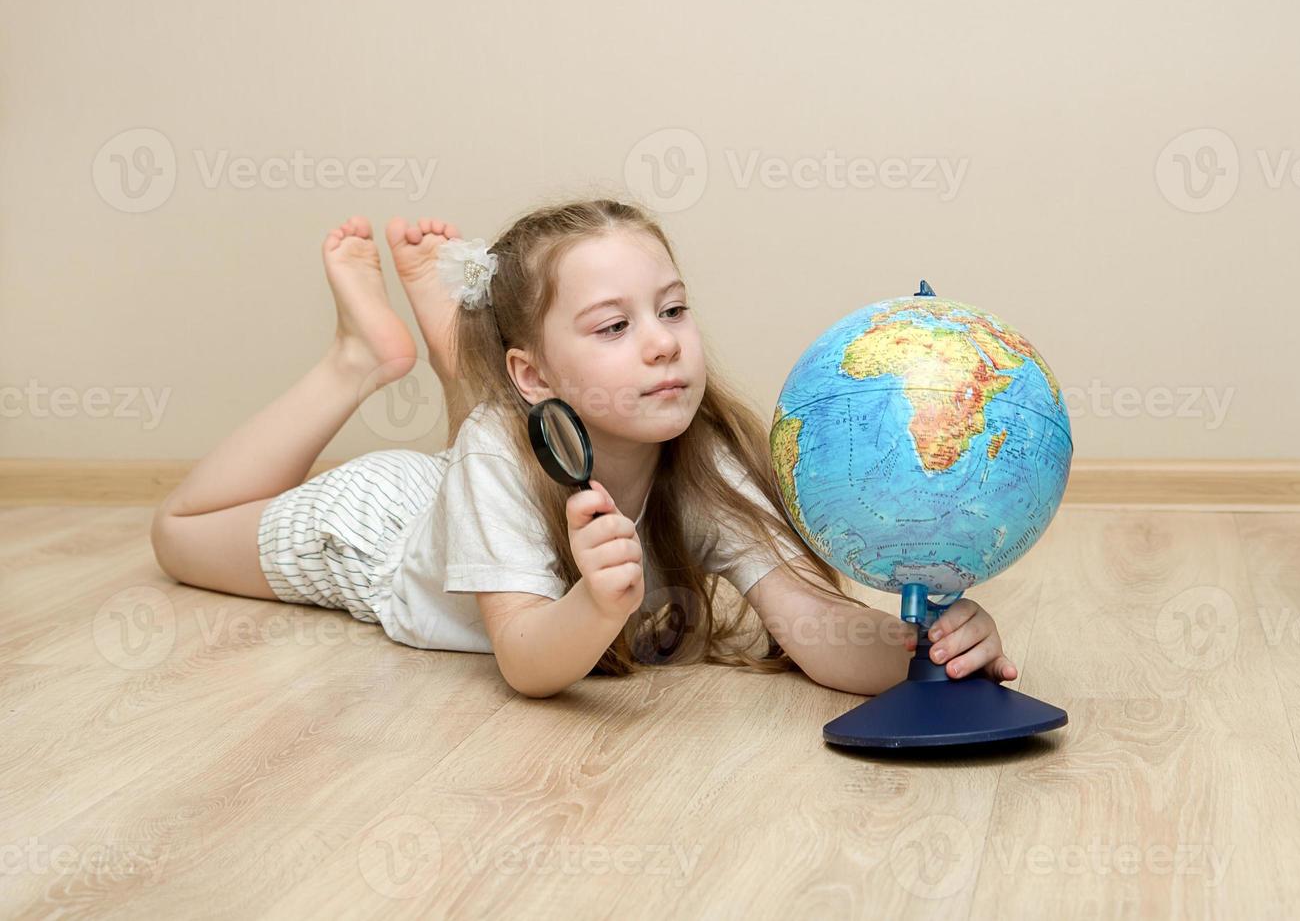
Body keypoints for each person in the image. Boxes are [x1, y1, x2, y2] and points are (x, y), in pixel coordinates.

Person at [150, 198, 1017, 698]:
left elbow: (813, 627)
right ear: (539, 370)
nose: (663, 344)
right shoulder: (494, 451)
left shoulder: (704, 455)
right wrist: (595, 609)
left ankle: (463, 345)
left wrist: (927, 648)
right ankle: (360, 360)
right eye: (615, 325)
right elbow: (527, 660)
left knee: (501, 440)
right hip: (382, 533)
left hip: (505, 449)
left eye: (673, 310)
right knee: (182, 533)